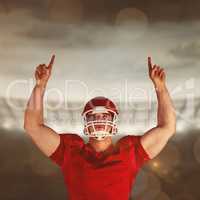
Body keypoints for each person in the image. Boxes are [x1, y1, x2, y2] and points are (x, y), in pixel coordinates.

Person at [24, 55, 176, 200]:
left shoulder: (129, 152)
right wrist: (40, 86)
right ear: (86, 121)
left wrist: (160, 88)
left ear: (113, 120)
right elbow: (32, 126)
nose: (99, 120)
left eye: (104, 116)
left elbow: (167, 127)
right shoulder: (71, 150)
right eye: (94, 116)